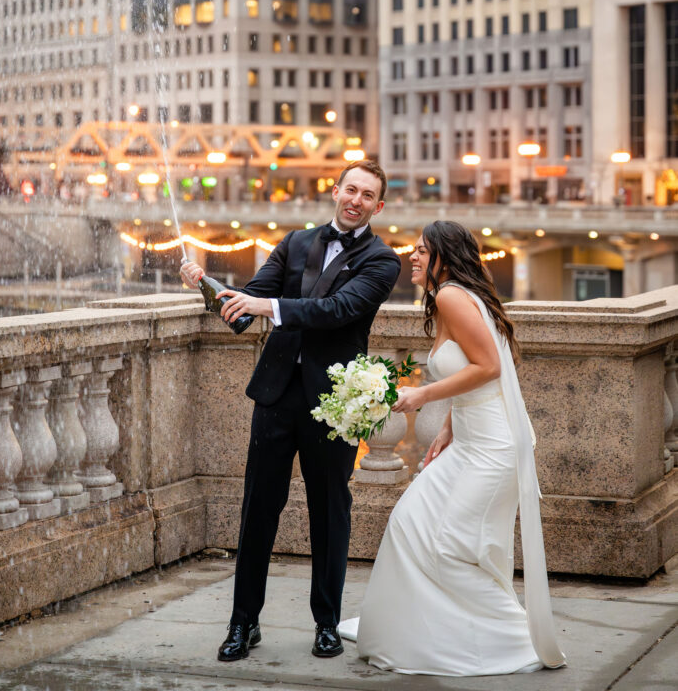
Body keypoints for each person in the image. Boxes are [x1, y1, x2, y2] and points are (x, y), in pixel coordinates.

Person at [180, 161, 401, 663]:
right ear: (336, 191)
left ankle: (326, 623)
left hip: (334, 405)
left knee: (330, 514)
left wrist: (264, 307)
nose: (356, 200)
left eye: (368, 195)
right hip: (276, 397)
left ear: (378, 206)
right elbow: (247, 307)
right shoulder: (296, 242)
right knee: (257, 511)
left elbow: (337, 311)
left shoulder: (382, 260)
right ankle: (243, 623)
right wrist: (210, 287)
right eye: (351, 189)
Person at [339, 221, 566, 677]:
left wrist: (423, 397)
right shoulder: (453, 298)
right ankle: (427, 627)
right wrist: (447, 425)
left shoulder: (451, 296)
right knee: (409, 523)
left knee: (452, 546)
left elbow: (489, 366)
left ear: (445, 254)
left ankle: (511, 636)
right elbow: (476, 370)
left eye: (422, 250)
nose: (414, 257)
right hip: (469, 439)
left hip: (493, 448)